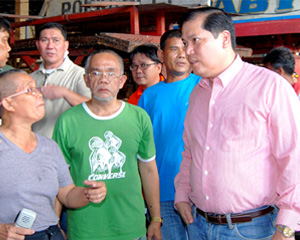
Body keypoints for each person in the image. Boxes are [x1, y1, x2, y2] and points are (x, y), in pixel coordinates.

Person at [174, 7, 300, 240]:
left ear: (223, 39)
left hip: (253, 228)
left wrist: (287, 226)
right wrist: (182, 193)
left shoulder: (270, 87)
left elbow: (293, 158)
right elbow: (190, 152)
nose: (187, 51)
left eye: (195, 40)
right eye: (184, 42)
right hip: (198, 224)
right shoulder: (198, 94)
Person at [53, 49, 162, 240]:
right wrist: (53, 225)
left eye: (111, 73)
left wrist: (155, 218)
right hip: (84, 229)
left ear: (121, 81)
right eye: (96, 73)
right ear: (86, 80)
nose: (103, 79)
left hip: (131, 227)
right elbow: (58, 178)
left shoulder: (138, 117)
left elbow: (148, 169)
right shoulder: (67, 121)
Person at [0, 69, 106, 240]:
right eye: (29, 90)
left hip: (51, 233)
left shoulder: (49, 146)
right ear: (8, 103)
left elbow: (67, 194)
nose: (39, 94)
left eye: (37, 89)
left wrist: (88, 194)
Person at [138, 29, 200, 240]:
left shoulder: (204, 86)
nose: (182, 54)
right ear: (161, 54)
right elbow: (139, 148)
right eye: (174, 48)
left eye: (186, 48)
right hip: (162, 193)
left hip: (198, 192)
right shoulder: (149, 96)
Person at [31, 22, 91, 138]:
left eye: (56, 40)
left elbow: (95, 108)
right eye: (44, 40)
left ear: (66, 45)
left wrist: (65, 93)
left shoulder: (80, 75)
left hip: (66, 148)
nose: (50, 46)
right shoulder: (31, 78)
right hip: (35, 147)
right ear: (38, 45)